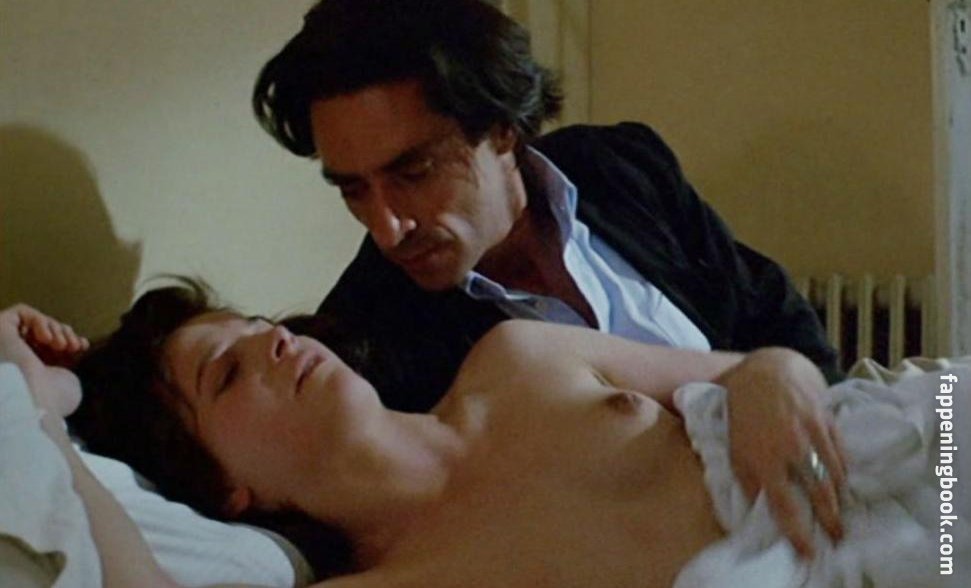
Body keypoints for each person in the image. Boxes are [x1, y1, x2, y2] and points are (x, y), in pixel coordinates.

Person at [4, 288, 965, 587]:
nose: (275, 343)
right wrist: (38, 406)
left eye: (258, 326)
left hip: (913, 452)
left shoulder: (518, 359)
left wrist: (771, 378)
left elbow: (762, 367)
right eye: (227, 373)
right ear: (227, 491)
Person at [252, 0, 841, 420]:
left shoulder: (620, 164)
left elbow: (769, 310)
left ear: (502, 129)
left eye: (415, 172)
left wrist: (827, 416)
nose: (387, 228)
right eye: (353, 189)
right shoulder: (369, 336)